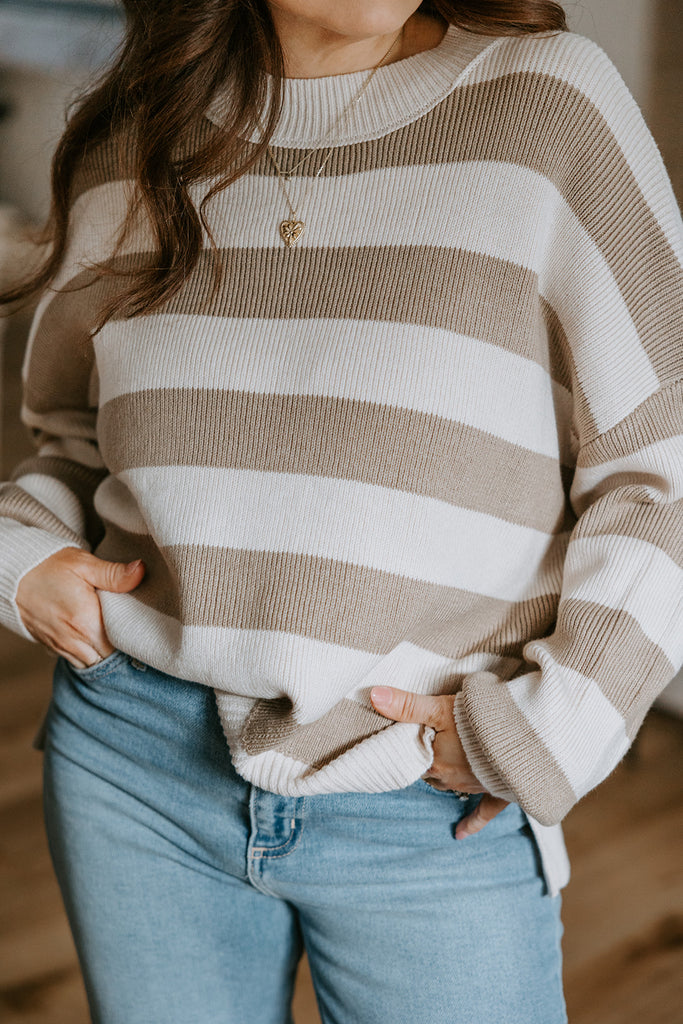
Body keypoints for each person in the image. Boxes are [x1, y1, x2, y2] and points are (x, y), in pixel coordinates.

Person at [1, 1, 681, 1021]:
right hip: (135, 764)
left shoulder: (546, 102)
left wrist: (550, 728)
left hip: (424, 791)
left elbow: (656, 462)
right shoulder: (132, 135)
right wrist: (21, 556)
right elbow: (77, 434)